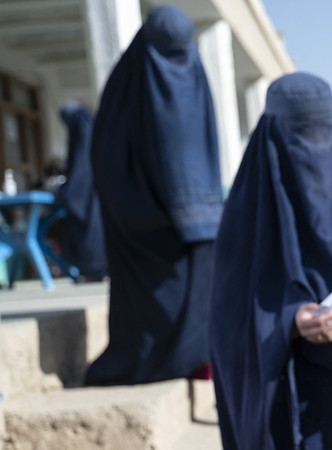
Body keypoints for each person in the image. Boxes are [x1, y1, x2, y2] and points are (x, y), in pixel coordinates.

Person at [209, 72, 332, 450]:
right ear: (272, 139)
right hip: (292, 403)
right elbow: (227, 326)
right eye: (300, 136)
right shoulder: (245, 226)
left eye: (322, 134)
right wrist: (290, 321)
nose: (315, 149)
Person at [86, 5, 222, 385]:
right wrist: (150, 208)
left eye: (180, 55)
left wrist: (196, 206)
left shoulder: (192, 79)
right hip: (138, 225)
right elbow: (108, 160)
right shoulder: (123, 98)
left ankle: (195, 359)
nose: (174, 67)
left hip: (191, 218)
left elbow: (200, 148)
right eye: (166, 55)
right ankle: (157, 361)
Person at [57, 101, 107, 281]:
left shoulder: (80, 122)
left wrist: (66, 189)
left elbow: (80, 164)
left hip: (86, 188)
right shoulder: (91, 122)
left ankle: (92, 267)